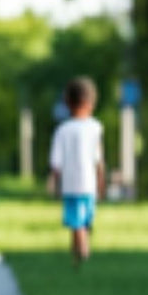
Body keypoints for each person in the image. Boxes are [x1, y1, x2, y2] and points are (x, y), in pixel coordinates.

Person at [48, 77, 105, 267]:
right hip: (89, 185)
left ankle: (78, 253)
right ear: (91, 103)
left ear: (67, 102)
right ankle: (83, 252)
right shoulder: (95, 127)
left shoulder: (62, 130)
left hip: (70, 184)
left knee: (76, 223)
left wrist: (54, 183)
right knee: (84, 221)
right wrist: (101, 181)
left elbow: (56, 163)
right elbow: (98, 158)